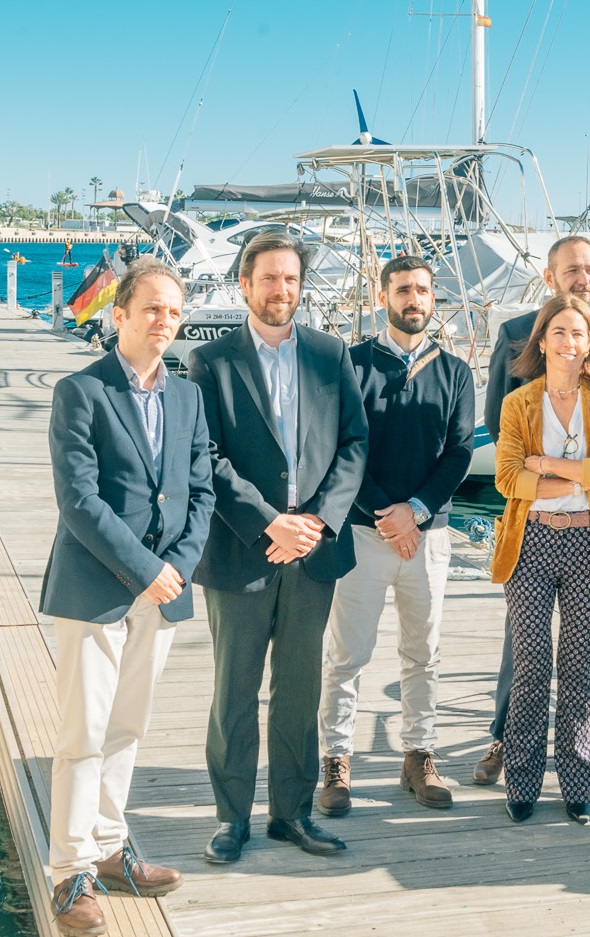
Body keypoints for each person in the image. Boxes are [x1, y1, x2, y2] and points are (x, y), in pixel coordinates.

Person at [42, 257, 213, 936]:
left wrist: (176, 567)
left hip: (161, 590)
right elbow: (78, 499)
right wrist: (145, 568)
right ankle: (70, 871)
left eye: (174, 310)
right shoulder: (80, 392)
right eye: (152, 309)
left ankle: (111, 848)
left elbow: (198, 492)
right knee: (81, 735)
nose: (165, 321)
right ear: (118, 315)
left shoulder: (188, 395)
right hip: (96, 588)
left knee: (128, 727)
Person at [188, 229, 368, 863]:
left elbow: (354, 445)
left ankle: (290, 815)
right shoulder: (211, 362)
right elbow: (205, 456)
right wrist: (270, 522)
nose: (281, 290)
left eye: (290, 279)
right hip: (243, 549)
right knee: (234, 689)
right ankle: (231, 818)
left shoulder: (329, 353)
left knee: (299, 690)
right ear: (245, 284)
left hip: (314, 552)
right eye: (268, 278)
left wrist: (318, 521)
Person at [476, 235, 590, 786]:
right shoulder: (515, 333)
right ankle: (506, 736)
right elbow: (499, 417)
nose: (583, 278)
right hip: (533, 516)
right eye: (572, 269)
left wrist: (576, 467)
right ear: (550, 276)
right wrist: (548, 474)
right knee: (522, 639)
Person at [316, 255, 474, 816]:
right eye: (404, 290)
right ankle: (335, 763)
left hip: (427, 537)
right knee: (346, 655)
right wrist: (388, 513)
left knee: (423, 653)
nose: (415, 300)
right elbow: (344, 447)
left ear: (434, 300)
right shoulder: (352, 365)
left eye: (424, 291)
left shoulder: (455, 372)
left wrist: (417, 511)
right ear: (383, 296)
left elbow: (459, 453)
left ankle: (419, 754)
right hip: (363, 534)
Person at [490, 294, 590, 824]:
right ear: (542, 341)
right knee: (529, 665)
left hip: (587, 545)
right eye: (559, 332)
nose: (569, 342)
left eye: (579, 333)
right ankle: (520, 782)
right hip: (529, 542)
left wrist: (547, 466)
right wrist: (577, 473)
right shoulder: (519, 403)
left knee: (578, 668)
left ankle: (578, 783)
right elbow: (507, 479)